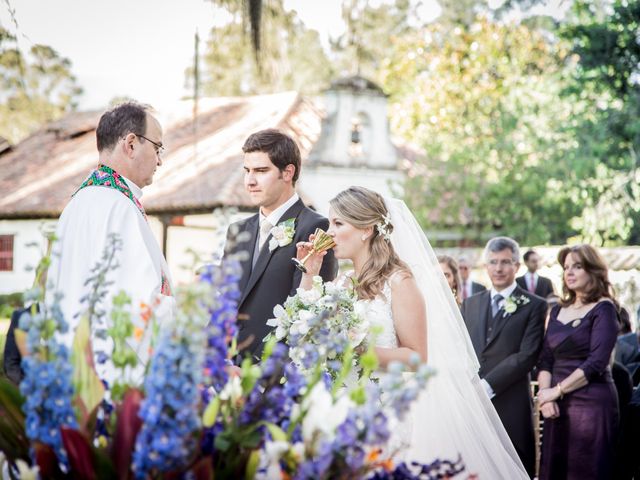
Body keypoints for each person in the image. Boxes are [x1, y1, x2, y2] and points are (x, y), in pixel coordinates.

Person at [298, 187, 529, 478]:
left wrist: (355, 352)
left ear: (366, 229)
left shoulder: (399, 281)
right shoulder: (343, 282)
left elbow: (416, 357)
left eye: (338, 223)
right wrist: (310, 273)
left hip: (388, 409)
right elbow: (308, 328)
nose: (328, 232)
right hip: (345, 407)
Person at [47, 102, 175, 384]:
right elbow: (140, 305)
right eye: (157, 148)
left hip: (73, 372)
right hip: (116, 378)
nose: (160, 160)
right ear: (130, 144)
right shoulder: (118, 207)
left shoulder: (78, 203)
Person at [223, 129, 338, 361]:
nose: (250, 181)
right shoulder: (237, 231)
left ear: (288, 172)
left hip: (275, 377)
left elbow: (308, 315)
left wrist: (258, 375)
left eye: (261, 171)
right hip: (226, 371)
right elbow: (226, 301)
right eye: (247, 171)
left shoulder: (316, 228)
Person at [461, 237, 546, 478]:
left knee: (513, 466)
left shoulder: (534, 305)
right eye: (493, 262)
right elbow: (463, 349)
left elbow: (527, 354)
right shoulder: (470, 304)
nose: (499, 268)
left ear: (517, 266)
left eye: (506, 262)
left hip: (512, 402)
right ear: (485, 266)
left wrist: (487, 385)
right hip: (472, 404)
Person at [536, 244, 620, 480]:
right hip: (556, 406)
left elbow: (596, 363)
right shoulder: (556, 311)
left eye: (577, 266)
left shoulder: (604, 309)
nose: (569, 272)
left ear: (593, 271)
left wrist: (557, 390)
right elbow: (545, 359)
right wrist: (545, 396)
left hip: (591, 404)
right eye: (566, 267)